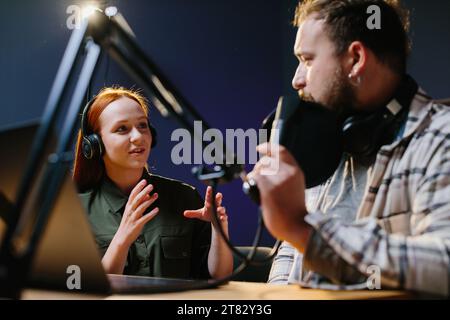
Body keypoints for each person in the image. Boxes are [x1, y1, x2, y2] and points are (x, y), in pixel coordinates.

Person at [250, 0, 450, 296]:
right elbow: (289, 256)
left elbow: (443, 266)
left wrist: (305, 231)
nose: (297, 79)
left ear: (356, 59)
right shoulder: (325, 137)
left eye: (307, 59)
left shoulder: (440, 138)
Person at [72, 87, 233, 280]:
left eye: (142, 126)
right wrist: (122, 239)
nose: (138, 137)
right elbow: (79, 288)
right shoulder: (76, 211)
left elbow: (219, 276)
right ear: (95, 144)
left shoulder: (185, 197)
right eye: (122, 129)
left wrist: (218, 229)